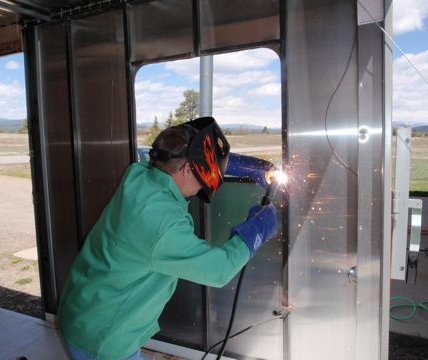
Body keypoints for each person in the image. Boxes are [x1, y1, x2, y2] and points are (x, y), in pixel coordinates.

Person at [58, 117, 278, 360]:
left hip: (87, 307)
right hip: (104, 339)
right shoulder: (163, 224)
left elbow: (167, 154)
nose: (209, 180)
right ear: (185, 170)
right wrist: (257, 230)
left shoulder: (138, 174)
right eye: (208, 172)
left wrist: (245, 166)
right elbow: (219, 270)